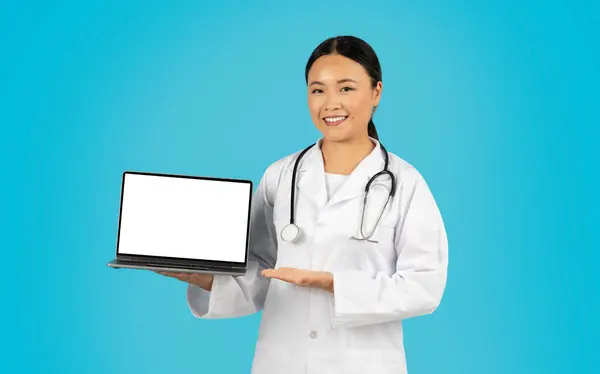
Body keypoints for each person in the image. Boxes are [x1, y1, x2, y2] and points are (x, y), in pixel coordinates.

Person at [158, 35, 448, 374]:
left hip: (363, 364)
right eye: (318, 89)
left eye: (346, 88)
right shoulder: (280, 176)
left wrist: (332, 284)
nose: (330, 103)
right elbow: (261, 273)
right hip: (282, 361)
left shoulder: (405, 183)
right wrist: (203, 279)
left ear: (376, 92)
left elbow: (424, 286)